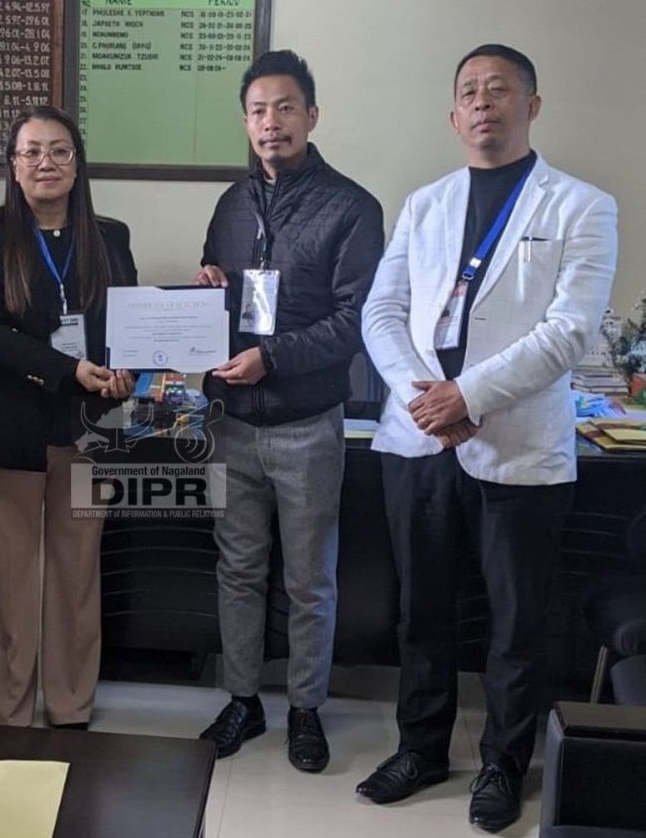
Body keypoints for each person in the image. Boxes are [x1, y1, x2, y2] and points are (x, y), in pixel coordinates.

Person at [358, 44, 618, 831]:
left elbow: (569, 332)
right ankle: (422, 748)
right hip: (421, 442)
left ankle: (504, 763)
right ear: (452, 113)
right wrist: (426, 398)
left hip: (519, 446)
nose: (482, 103)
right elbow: (382, 311)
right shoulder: (425, 203)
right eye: (468, 92)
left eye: (498, 90)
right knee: (423, 612)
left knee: (516, 620)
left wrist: (468, 393)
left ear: (532, 105)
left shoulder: (582, 205)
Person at [195, 50, 384, 771]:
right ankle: (243, 699)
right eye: (256, 111)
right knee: (238, 568)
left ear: (311, 113)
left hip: (307, 422)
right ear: (245, 121)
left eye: (283, 108)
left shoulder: (353, 207)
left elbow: (356, 320)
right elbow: (224, 292)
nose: (269, 123)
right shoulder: (232, 203)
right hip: (230, 420)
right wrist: (208, 282)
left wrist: (272, 358)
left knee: (310, 577)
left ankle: (306, 708)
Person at [0, 105, 137, 729]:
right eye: (32, 152)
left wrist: (128, 365)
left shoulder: (110, 236)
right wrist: (66, 370)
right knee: (11, 576)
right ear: (13, 166)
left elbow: (126, 325)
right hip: (8, 425)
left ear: (77, 165)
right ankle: (12, 706)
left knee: (78, 571)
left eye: (59, 151)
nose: (46, 162)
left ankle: (72, 703)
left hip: (89, 426)